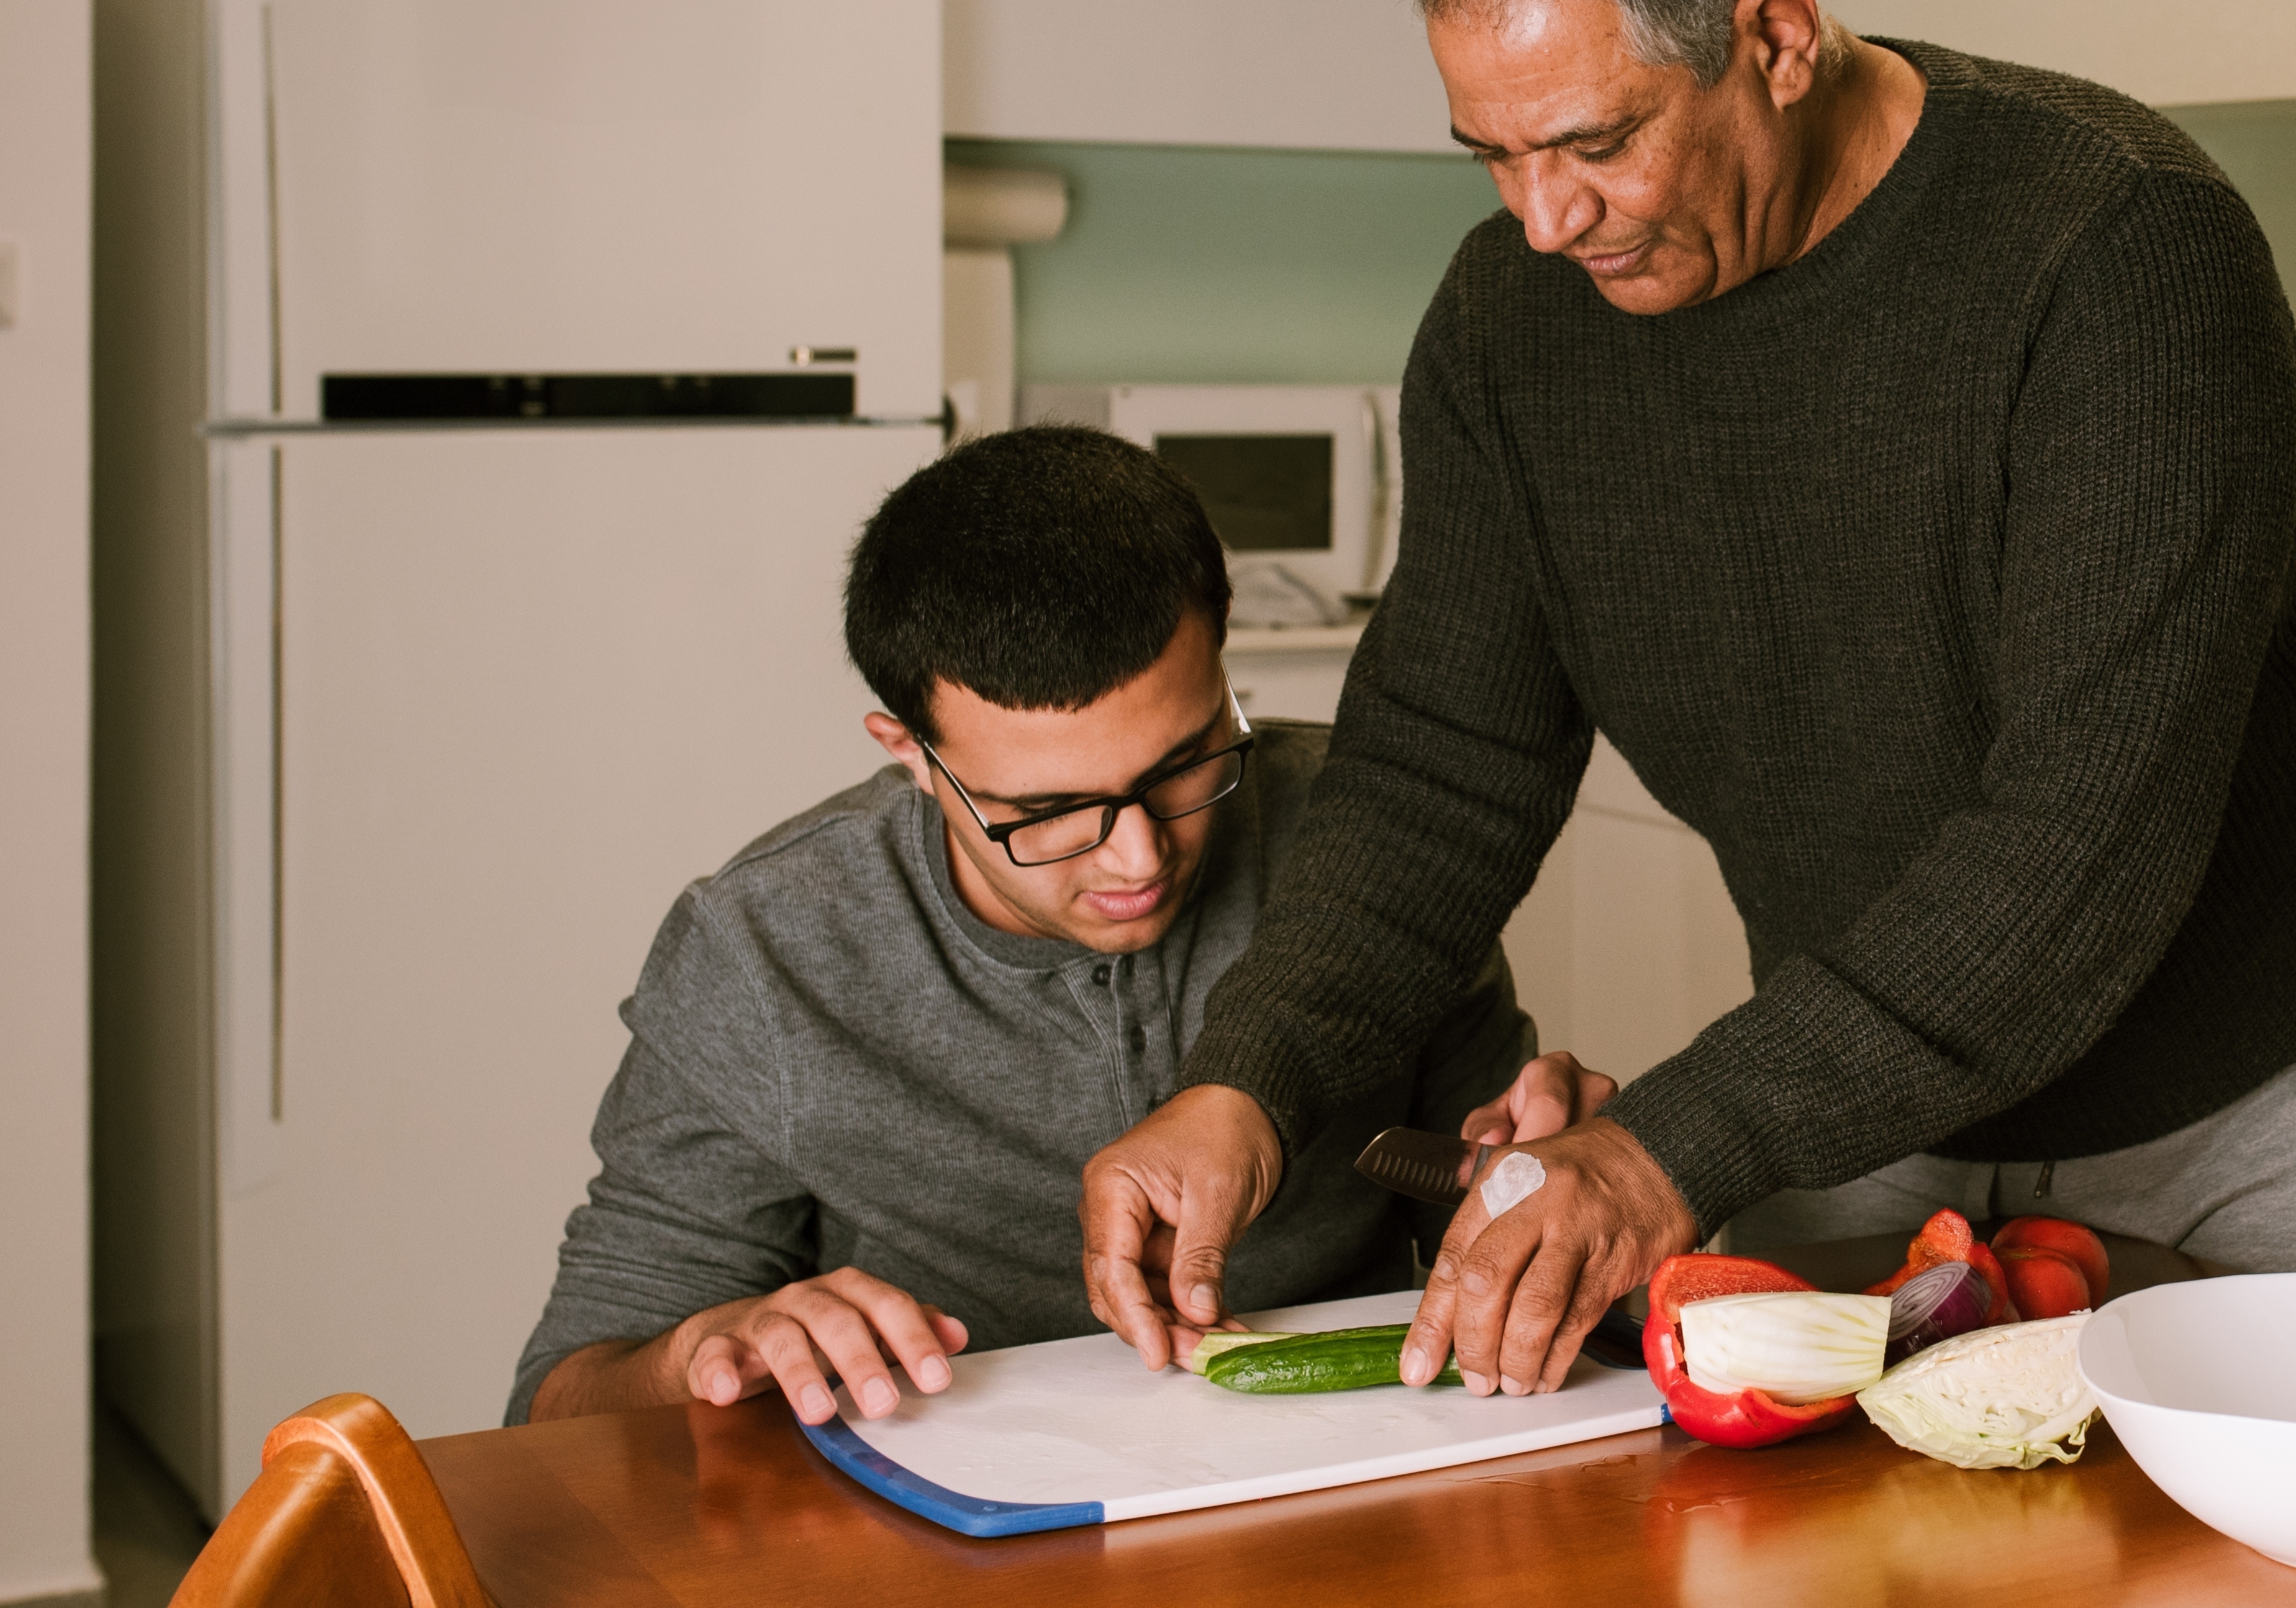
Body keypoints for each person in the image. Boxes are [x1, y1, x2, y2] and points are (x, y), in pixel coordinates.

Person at [1074, 0, 2296, 1401]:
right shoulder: (1509, 330)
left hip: (2264, 1089)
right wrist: (1250, 1079)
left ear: (1780, 38)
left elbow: (2080, 841)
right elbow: (1434, 771)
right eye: (1495, 157)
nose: (1543, 222)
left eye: (1597, 142)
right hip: (1877, 1099)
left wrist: (1663, 1146)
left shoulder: (2118, 248)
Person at [508, 427, 1586, 1428]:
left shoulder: (1375, 837)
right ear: (911, 755)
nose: (1138, 857)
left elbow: (1496, 1239)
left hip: (1348, 1481)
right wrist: (704, 1348)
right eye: (1045, 814)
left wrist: (1555, 1181)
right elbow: (557, 1405)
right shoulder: (765, 950)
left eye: (1184, 765)